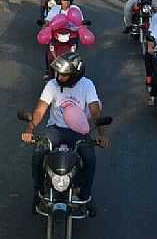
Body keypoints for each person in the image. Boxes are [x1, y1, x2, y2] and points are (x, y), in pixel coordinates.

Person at [21, 52, 110, 215]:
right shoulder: (52, 85)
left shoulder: (87, 85)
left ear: (74, 75)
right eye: (58, 73)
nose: (59, 77)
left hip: (79, 132)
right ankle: (39, 191)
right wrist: (30, 129)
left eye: (63, 75)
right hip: (55, 129)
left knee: (89, 158)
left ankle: (85, 196)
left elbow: (95, 111)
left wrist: (102, 135)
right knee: (38, 154)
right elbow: (40, 110)